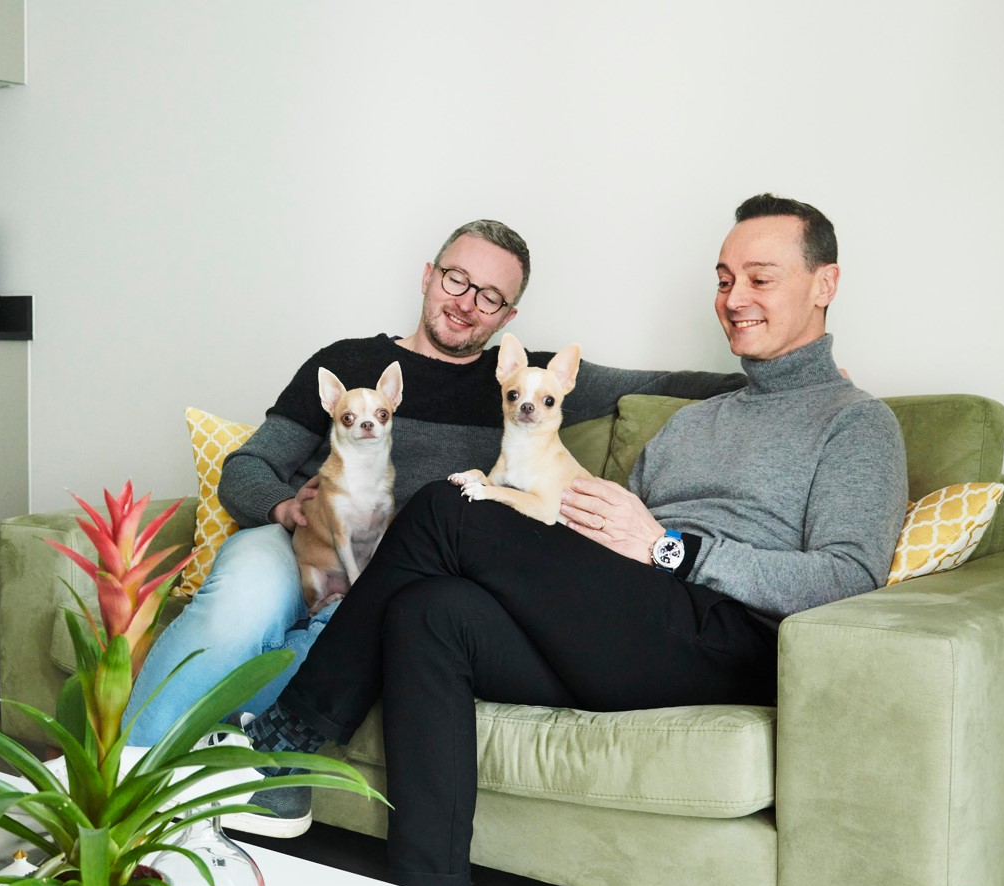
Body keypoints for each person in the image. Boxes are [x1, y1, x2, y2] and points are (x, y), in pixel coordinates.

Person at [225, 195, 909, 886]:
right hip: (623, 625)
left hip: (720, 639)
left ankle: (287, 738)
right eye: (724, 279)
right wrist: (605, 545)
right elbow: (611, 542)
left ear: (824, 285)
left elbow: (849, 577)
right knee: (430, 611)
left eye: (759, 279)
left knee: (446, 508)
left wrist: (672, 549)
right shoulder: (693, 422)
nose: (734, 299)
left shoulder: (856, 423)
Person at [125, 220, 745, 746]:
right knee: (236, 614)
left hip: (394, 575)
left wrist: (773, 381)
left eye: (491, 297)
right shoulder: (348, 361)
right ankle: (114, 787)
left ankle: (200, 775)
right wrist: (286, 509)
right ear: (428, 275)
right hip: (299, 539)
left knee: (333, 653)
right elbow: (247, 466)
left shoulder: (521, 384)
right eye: (457, 280)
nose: (468, 302)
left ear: (508, 316)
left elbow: (669, 382)